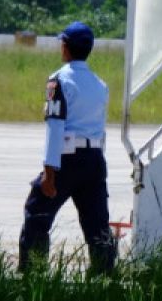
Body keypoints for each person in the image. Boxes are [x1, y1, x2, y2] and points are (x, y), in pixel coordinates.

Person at [19, 21, 116, 274]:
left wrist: (49, 173)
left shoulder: (59, 81)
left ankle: (33, 272)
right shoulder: (100, 84)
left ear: (66, 47)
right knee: (97, 224)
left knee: (37, 212)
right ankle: (105, 275)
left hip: (67, 160)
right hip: (95, 159)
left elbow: (55, 127)